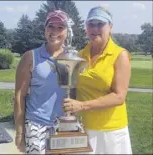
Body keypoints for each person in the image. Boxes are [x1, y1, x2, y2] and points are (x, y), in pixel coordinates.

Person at [63, 6, 132, 154]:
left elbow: (119, 97)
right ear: (86, 28)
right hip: (83, 127)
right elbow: (73, 89)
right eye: (91, 24)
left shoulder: (120, 55)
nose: (95, 29)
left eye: (100, 24)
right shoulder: (80, 55)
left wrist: (82, 106)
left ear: (110, 27)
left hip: (112, 131)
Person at [14, 10, 71, 154]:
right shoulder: (30, 57)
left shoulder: (73, 57)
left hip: (64, 126)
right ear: (45, 28)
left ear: (67, 31)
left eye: (60, 27)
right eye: (51, 26)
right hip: (36, 124)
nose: (54, 31)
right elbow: (19, 96)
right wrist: (20, 133)